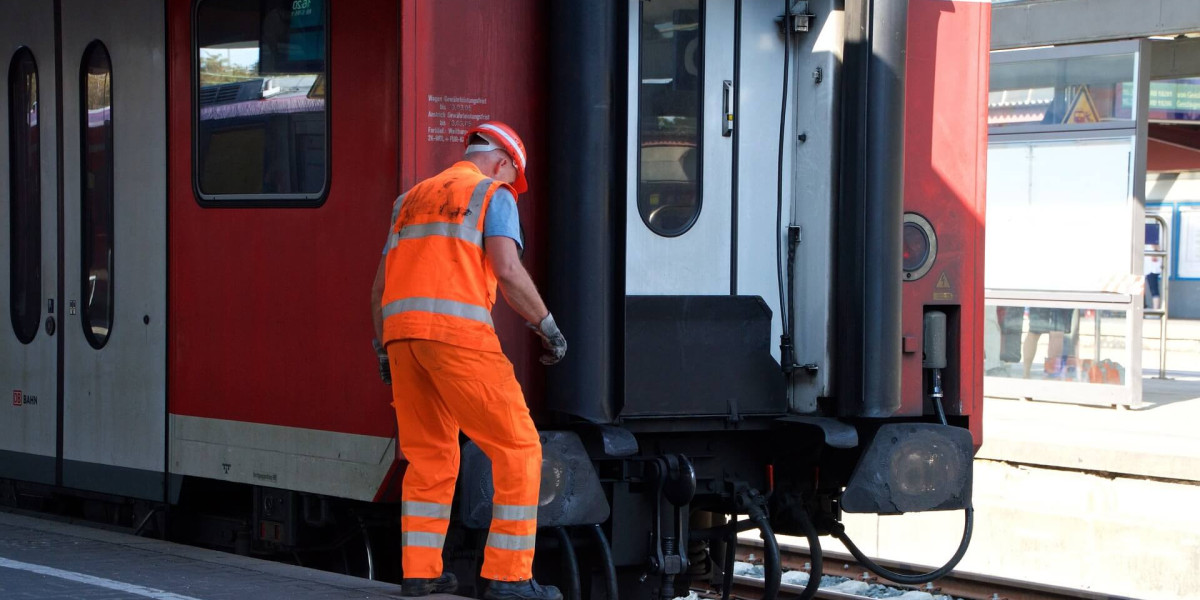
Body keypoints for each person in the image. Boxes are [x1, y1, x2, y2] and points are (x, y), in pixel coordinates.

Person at [370, 121, 567, 600]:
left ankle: (419, 573)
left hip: (401, 340)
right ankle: (508, 577)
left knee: (430, 456)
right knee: (519, 448)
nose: (510, 185)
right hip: (458, 338)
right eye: (511, 176)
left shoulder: (409, 200)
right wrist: (547, 326)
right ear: (503, 163)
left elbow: (379, 288)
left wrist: (383, 348)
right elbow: (507, 269)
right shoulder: (491, 195)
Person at [1145, 243, 1163, 311]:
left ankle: (1155, 309)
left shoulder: (1154, 246)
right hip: (1150, 270)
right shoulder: (1152, 246)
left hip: (1152, 270)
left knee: (1154, 290)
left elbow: (1154, 258)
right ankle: (1153, 308)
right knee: (1153, 290)